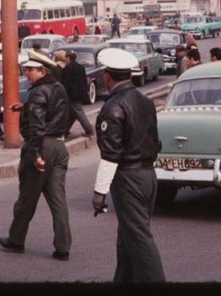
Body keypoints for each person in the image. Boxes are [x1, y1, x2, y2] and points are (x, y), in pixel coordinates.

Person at [92, 48, 165, 282]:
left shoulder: (113, 107)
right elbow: (156, 141)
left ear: (107, 76)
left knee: (139, 239)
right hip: (148, 175)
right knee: (128, 237)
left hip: (128, 179)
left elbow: (111, 154)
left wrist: (99, 191)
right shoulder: (146, 102)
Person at [0, 58, 71, 261]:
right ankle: (63, 248)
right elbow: (54, 110)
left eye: (30, 70)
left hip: (42, 146)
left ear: (42, 70)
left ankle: (16, 240)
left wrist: (36, 154)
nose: (26, 73)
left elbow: (38, 127)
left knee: (26, 199)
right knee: (58, 200)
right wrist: (26, 106)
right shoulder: (58, 87)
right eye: (25, 69)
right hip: (59, 146)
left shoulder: (39, 92)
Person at [62, 50, 96, 139]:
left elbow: (66, 83)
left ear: (68, 58)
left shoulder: (67, 68)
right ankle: (64, 131)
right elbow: (84, 81)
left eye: (66, 57)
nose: (64, 59)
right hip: (80, 93)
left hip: (71, 94)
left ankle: (89, 130)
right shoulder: (81, 67)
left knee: (78, 112)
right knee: (71, 114)